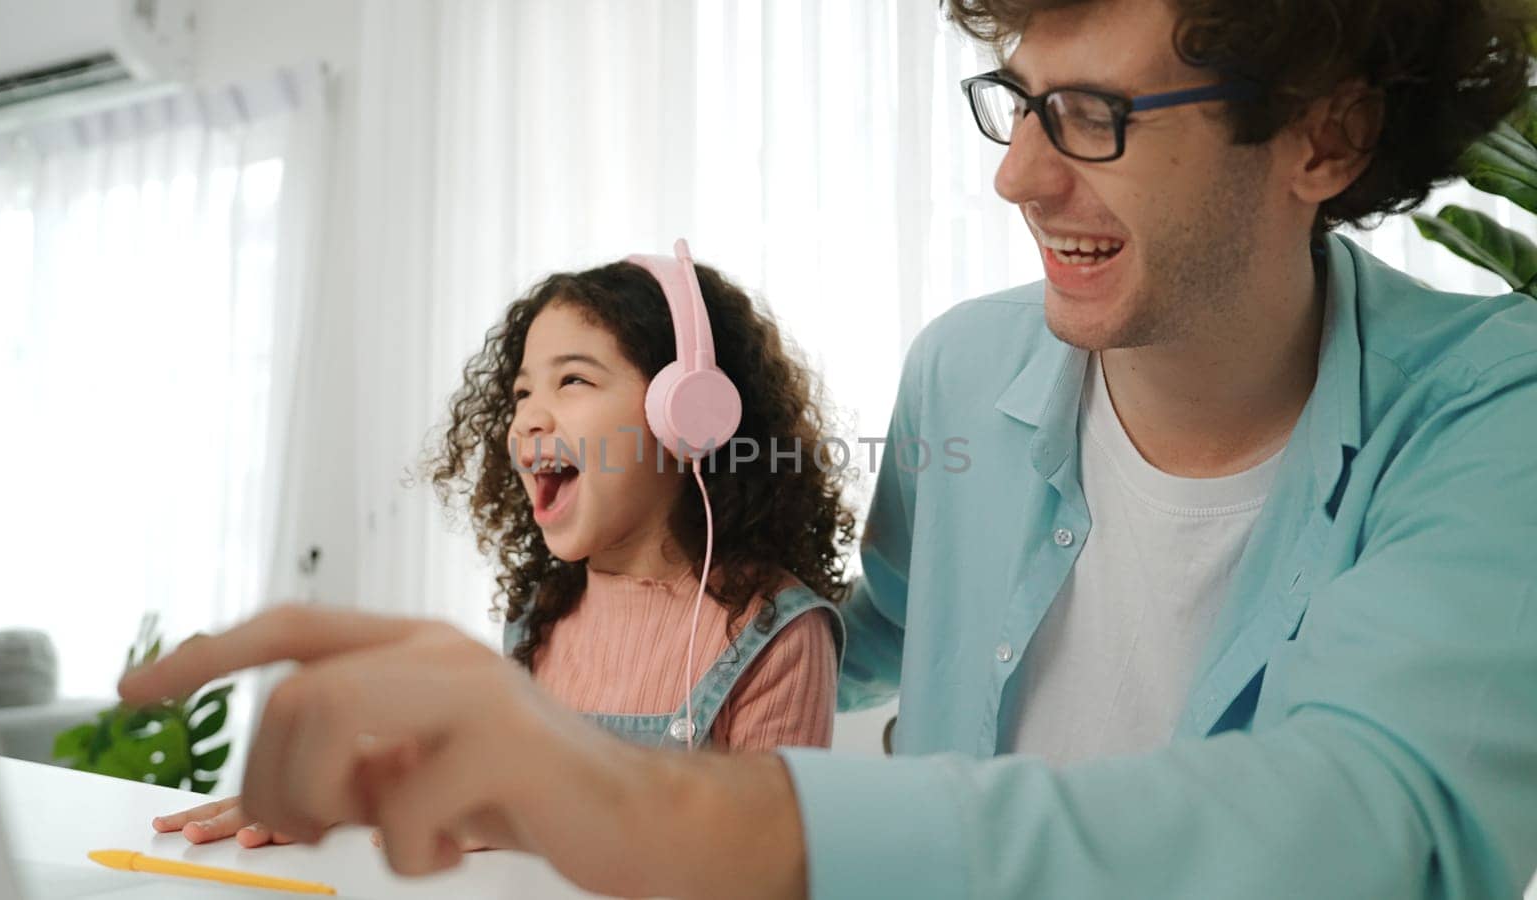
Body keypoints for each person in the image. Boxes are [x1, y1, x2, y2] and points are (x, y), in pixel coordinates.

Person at [120, 0, 1537, 897]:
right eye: (1021, 101)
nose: (1020, 175)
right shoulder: (967, 368)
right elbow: (865, 640)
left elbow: (1375, 815)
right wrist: (545, 707)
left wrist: (666, 811)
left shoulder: (1492, 407)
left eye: (1095, 117)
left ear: (1326, 138)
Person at [145, 257, 854, 849]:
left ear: (689, 414)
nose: (528, 417)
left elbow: (759, 868)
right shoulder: (542, 615)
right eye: (520, 392)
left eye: (573, 380)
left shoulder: (776, 633)